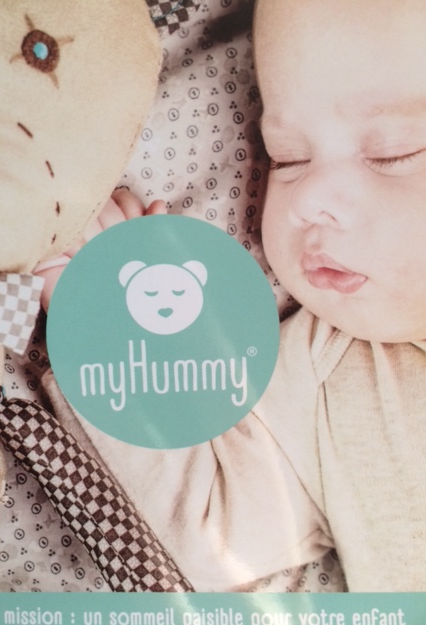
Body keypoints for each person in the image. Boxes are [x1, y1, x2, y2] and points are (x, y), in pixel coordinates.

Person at [38, 0, 426, 592]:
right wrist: (107, 319)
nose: (308, 197)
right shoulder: (332, 374)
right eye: (287, 158)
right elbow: (208, 537)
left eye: (393, 152)